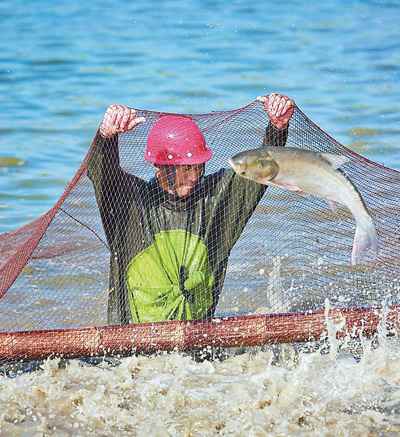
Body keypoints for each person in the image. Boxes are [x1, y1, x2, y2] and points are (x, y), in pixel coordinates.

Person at [88, 93, 294, 325]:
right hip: (130, 345)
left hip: (195, 348)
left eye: (198, 167)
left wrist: (278, 127)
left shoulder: (215, 200)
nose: (194, 176)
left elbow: (259, 170)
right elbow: (103, 173)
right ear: (160, 168)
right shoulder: (130, 204)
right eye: (185, 169)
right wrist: (106, 136)